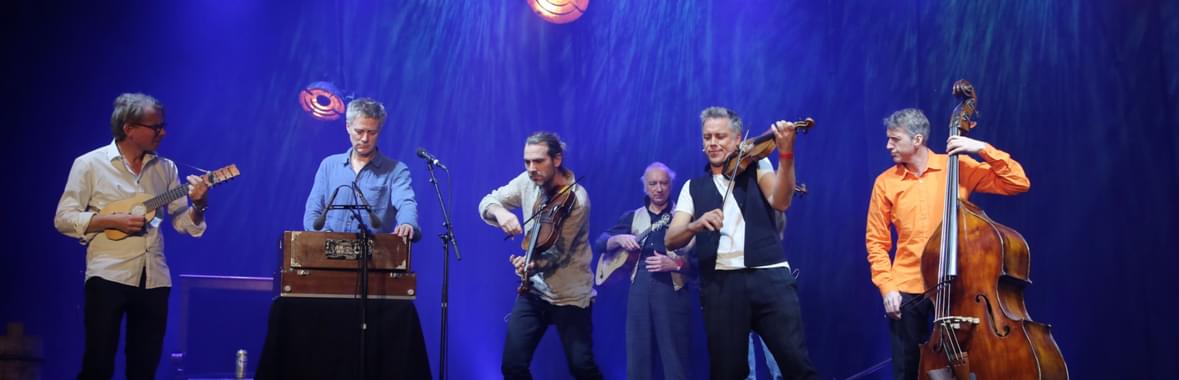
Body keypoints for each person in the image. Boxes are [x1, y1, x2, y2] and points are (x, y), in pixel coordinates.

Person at [865, 108, 1030, 380]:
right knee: (908, 370)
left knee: (972, 363)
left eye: (894, 139)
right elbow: (876, 241)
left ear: (917, 140)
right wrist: (887, 287)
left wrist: (982, 148)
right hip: (908, 287)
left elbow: (1018, 183)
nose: (888, 145)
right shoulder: (885, 183)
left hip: (959, 285)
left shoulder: (957, 166)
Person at [54, 93, 210, 379]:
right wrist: (108, 220)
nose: (163, 132)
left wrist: (199, 205)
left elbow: (180, 222)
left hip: (154, 279)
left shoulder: (166, 169)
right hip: (108, 276)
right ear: (129, 128)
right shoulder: (89, 164)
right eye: (156, 127)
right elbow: (63, 218)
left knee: (144, 366)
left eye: (163, 126)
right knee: (98, 363)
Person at [665, 106, 819, 379]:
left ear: (738, 140)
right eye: (707, 137)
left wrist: (786, 154)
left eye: (720, 136)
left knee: (795, 364)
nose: (713, 143)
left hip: (769, 275)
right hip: (722, 286)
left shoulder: (758, 165)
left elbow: (781, 201)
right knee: (728, 372)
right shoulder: (692, 187)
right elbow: (671, 238)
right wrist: (696, 224)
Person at [478, 131, 602, 379]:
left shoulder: (577, 200)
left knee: (582, 367)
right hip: (534, 291)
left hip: (571, 293)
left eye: (538, 161)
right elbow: (487, 201)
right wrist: (501, 213)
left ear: (557, 160)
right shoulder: (527, 182)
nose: (531, 168)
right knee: (512, 365)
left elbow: (559, 253)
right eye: (527, 162)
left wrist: (531, 264)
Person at [595, 162, 693, 380]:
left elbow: (699, 262)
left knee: (674, 358)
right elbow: (600, 243)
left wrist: (675, 264)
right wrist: (618, 238)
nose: (658, 188)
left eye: (663, 183)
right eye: (653, 183)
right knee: (638, 357)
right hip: (639, 289)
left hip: (673, 290)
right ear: (645, 187)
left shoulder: (683, 217)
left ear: (671, 185)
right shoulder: (633, 217)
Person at [303, 97, 419, 239]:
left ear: (379, 130)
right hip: (326, 254)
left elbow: (405, 202)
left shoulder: (396, 170)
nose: (365, 139)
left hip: (373, 257)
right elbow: (313, 211)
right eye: (359, 131)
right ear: (348, 127)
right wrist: (328, 239)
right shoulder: (329, 165)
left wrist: (407, 223)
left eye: (372, 133)